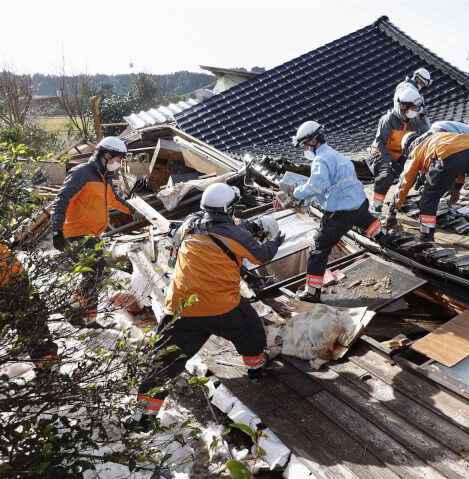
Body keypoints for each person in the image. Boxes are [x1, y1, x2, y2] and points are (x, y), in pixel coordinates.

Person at [136, 183, 285, 419]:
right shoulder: (237, 235)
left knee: (163, 361)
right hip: (221, 307)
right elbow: (262, 255)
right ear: (229, 209)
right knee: (251, 329)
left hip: (181, 308)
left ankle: (142, 415)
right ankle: (256, 368)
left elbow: (193, 234)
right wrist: (275, 242)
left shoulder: (190, 223)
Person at [286, 121, 390, 303]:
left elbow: (316, 186)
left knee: (318, 250)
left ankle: (312, 292)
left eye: (304, 145)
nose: (304, 149)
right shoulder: (335, 154)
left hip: (340, 213)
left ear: (313, 141)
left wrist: (295, 192)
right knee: (365, 219)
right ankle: (382, 236)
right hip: (359, 203)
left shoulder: (320, 160)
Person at [50, 137, 143, 323]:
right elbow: (61, 199)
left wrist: (133, 211)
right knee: (97, 273)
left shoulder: (105, 177)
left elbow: (114, 199)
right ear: (106, 155)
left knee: (93, 275)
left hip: (92, 235)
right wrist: (56, 230)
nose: (118, 164)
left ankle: (82, 314)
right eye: (117, 160)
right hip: (77, 234)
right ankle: (77, 311)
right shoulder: (82, 173)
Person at [386, 131, 469, 242]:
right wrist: (457, 187)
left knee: (429, 197)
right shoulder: (436, 138)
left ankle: (426, 234)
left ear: (407, 147)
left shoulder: (416, 152)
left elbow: (404, 183)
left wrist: (392, 211)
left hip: (448, 155)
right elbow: (459, 160)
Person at [369, 88, 430, 215]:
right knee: (386, 175)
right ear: (403, 107)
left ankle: (397, 201)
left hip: (400, 154)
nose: (416, 111)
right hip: (380, 154)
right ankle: (376, 206)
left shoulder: (417, 122)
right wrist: (391, 162)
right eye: (413, 108)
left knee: (411, 172)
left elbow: (428, 135)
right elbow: (380, 143)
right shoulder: (388, 119)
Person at [1, 243, 58, 372]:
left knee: (34, 327)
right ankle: (49, 372)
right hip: (13, 278)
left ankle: (49, 370)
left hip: (14, 277)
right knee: (34, 327)